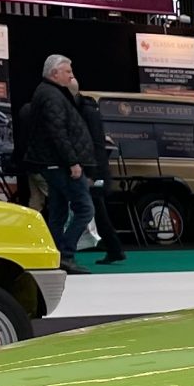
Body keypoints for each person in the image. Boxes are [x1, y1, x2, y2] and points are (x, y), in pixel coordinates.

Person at [19, 54, 96, 273]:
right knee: (84, 209)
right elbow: (57, 132)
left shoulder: (49, 93)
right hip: (59, 164)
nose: (72, 76)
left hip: (52, 163)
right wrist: (72, 161)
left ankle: (54, 253)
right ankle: (66, 253)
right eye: (68, 72)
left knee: (59, 210)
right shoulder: (52, 96)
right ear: (55, 73)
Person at [76, 83, 127, 265]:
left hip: (93, 169)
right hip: (96, 169)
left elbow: (92, 143)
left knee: (90, 210)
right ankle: (114, 249)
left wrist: (93, 172)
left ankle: (66, 248)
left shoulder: (85, 114)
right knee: (97, 211)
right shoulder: (92, 112)